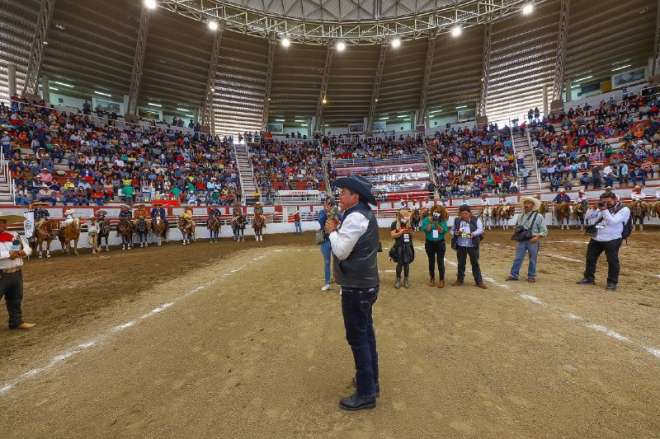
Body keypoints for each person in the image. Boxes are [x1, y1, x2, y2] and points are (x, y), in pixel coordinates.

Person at [324, 176, 380, 411]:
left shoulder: (356, 217)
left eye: (344, 192)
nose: (340, 196)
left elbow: (340, 251)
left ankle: (366, 393)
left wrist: (332, 232)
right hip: (364, 284)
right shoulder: (360, 214)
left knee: (358, 338)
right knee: (366, 335)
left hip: (356, 287)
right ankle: (371, 382)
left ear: (355, 196)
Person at [577, 192, 631, 291]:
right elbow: (588, 218)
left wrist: (604, 209)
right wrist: (593, 208)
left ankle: (612, 282)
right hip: (597, 237)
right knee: (590, 258)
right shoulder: (602, 207)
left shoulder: (624, 209)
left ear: (615, 199)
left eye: (608, 201)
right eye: (603, 201)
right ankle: (588, 278)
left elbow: (612, 221)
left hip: (613, 239)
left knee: (612, 261)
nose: (606, 203)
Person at [0, 214, 35, 330]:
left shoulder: (14, 235)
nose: (2, 224)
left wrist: (22, 252)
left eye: (3, 222)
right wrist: (8, 254)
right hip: (1, 273)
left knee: (15, 299)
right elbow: (9, 254)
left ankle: (16, 322)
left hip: (16, 272)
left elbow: (27, 248)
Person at [507, 197, 548, 283]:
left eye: (528, 203)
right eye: (525, 203)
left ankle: (531, 276)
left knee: (532, 259)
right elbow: (516, 226)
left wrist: (537, 237)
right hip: (522, 240)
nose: (526, 205)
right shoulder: (520, 216)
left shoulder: (539, 216)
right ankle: (514, 275)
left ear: (533, 205)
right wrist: (516, 232)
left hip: (533, 240)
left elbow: (544, 231)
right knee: (518, 258)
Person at [451, 205, 487, 289]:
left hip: (472, 245)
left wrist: (473, 234)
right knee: (461, 263)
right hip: (461, 245)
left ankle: (479, 281)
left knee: (475, 263)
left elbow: (480, 229)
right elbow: (452, 230)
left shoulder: (476, 219)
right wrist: (455, 233)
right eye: (462, 213)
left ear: (469, 213)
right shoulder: (457, 220)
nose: (464, 215)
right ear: (460, 213)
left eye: (466, 213)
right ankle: (459, 280)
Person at [421, 206, 448, 288]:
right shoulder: (426, 220)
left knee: (440, 261)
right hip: (429, 243)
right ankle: (432, 278)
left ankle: (441, 280)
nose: (436, 213)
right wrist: (431, 222)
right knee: (431, 261)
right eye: (435, 211)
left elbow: (442, 231)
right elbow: (426, 230)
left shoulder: (443, 220)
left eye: (438, 212)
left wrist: (436, 223)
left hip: (440, 243)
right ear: (432, 211)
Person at [390, 209, 415, 289]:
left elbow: (413, 234)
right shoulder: (394, 223)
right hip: (399, 246)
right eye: (404, 216)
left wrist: (409, 230)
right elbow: (393, 235)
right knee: (400, 263)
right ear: (400, 217)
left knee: (406, 263)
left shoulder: (410, 223)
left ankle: (406, 279)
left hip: (408, 246)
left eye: (406, 216)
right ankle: (398, 279)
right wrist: (401, 232)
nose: (405, 218)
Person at [318, 197, 338, 291]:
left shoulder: (336, 212)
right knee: (327, 262)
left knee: (337, 262)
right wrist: (327, 212)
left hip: (336, 239)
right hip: (325, 240)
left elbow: (341, 220)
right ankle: (327, 283)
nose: (328, 205)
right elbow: (320, 221)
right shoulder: (322, 212)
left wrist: (334, 215)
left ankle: (340, 282)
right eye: (327, 203)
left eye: (330, 204)